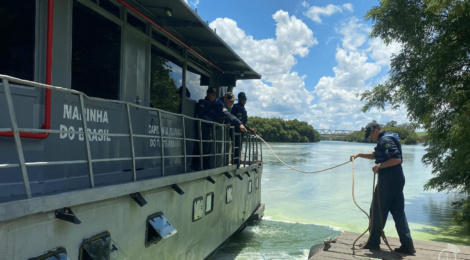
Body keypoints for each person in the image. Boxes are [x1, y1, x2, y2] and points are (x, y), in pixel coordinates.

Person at [350, 122, 415, 255]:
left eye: (370, 135)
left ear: (375, 131)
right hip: (397, 179)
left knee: (376, 210)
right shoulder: (387, 139)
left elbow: (397, 159)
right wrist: (359, 154)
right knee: (398, 213)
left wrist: (380, 167)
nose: (370, 138)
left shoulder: (385, 140)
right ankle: (408, 245)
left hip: (389, 180)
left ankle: (373, 242)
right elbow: (377, 155)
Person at [191, 88, 246, 170]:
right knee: (204, 145)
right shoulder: (220, 104)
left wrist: (225, 122)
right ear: (225, 99)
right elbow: (226, 114)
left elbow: (220, 115)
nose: (232, 103)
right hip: (205, 125)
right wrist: (240, 123)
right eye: (231, 101)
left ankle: (200, 165)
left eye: (233, 101)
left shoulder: (221, 103)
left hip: (209, 125)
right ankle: (201, 166)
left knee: (206, 145)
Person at [230, 92, 256, 167]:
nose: (245, 100)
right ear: (240, 99)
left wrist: (248, 129)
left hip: (238, 131)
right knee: (237, 147)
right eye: (243, 99)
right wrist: (249, 129)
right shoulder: (238, 108)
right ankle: (235, 165)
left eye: (245, 99)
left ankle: (235, 163)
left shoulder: (239, 107)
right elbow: (239, 122)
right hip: (236, 131)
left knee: (237, 147)